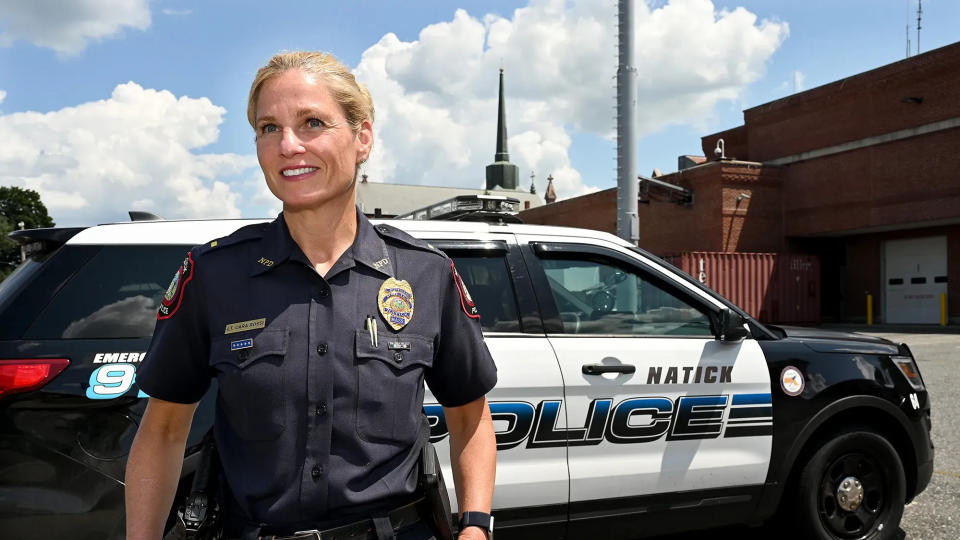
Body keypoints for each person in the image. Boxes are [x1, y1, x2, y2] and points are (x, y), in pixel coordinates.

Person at [125, 51, 498, 540]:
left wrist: (475, 526)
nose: (288, 145)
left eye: (312, 123)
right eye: (268, 128)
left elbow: (470, 416)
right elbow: (164, 429)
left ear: (362, 138)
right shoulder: (214, 275)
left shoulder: (425, 274)